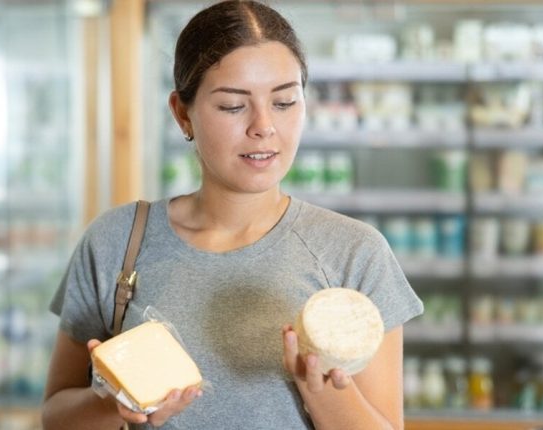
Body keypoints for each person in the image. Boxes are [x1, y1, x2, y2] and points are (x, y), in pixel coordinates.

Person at [43, 1, 423, 428]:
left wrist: (318, 389)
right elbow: (55, 417)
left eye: (284, 101)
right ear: (182, 112)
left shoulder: (355, 253)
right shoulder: (116, 241)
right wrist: (114, 403)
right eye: (232, 106)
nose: (264, 126)